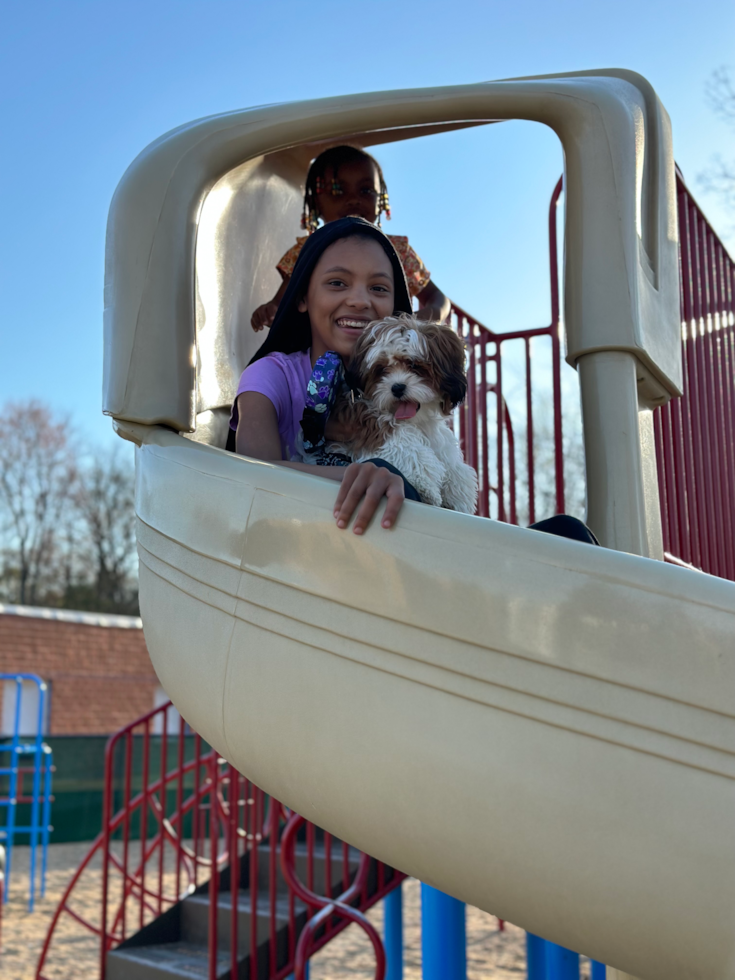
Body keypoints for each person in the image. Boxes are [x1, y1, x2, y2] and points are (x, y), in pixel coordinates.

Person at [230, 216, 420, 535]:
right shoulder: (270, 375)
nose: (360, 300)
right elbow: (252, 473)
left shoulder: (406, 389)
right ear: (303, 297)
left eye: (378, 288)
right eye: (337, 283)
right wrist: (368, 475)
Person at [250, 145, 450, 332]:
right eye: (338, 190)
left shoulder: (398, 250)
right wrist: (271, 309)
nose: (354, 199)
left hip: (388, 359)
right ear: (315, 203)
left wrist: (420, 319)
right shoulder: (306, 251)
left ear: (380, 200)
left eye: (366, 190)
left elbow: (438, 298)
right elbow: (281, 303)